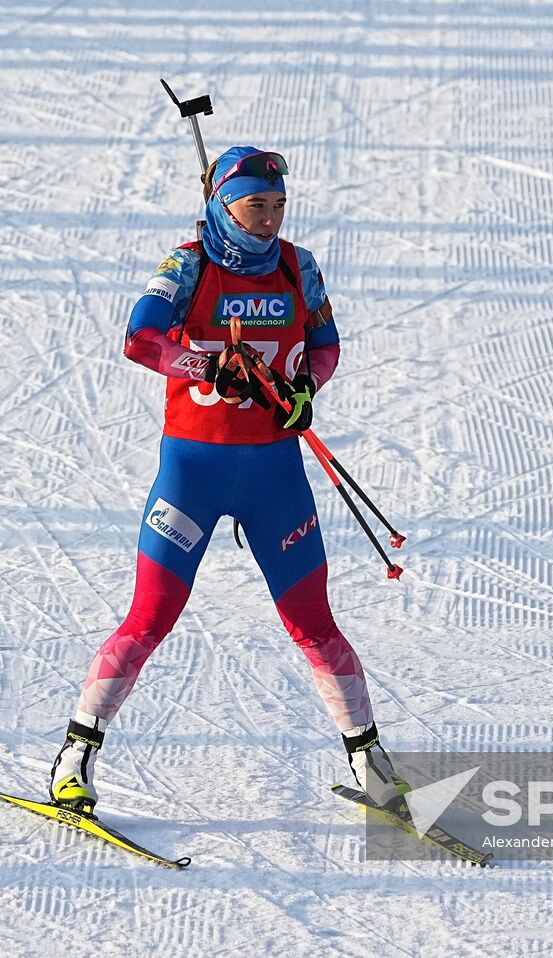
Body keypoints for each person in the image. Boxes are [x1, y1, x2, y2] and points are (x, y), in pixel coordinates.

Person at [49, 146, 407, 814]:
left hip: (276, 478)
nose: (268, 220)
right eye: (254, 206)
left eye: (277, 206)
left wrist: (306, 387)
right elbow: (141, 338)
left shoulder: (299, 267)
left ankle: (370, 762)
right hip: (194, 473)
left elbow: (326, 346)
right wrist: (208, 368)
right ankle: (75, 756)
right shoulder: (188, 265)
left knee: (313, 622)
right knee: (151, 616)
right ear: (222, 204)